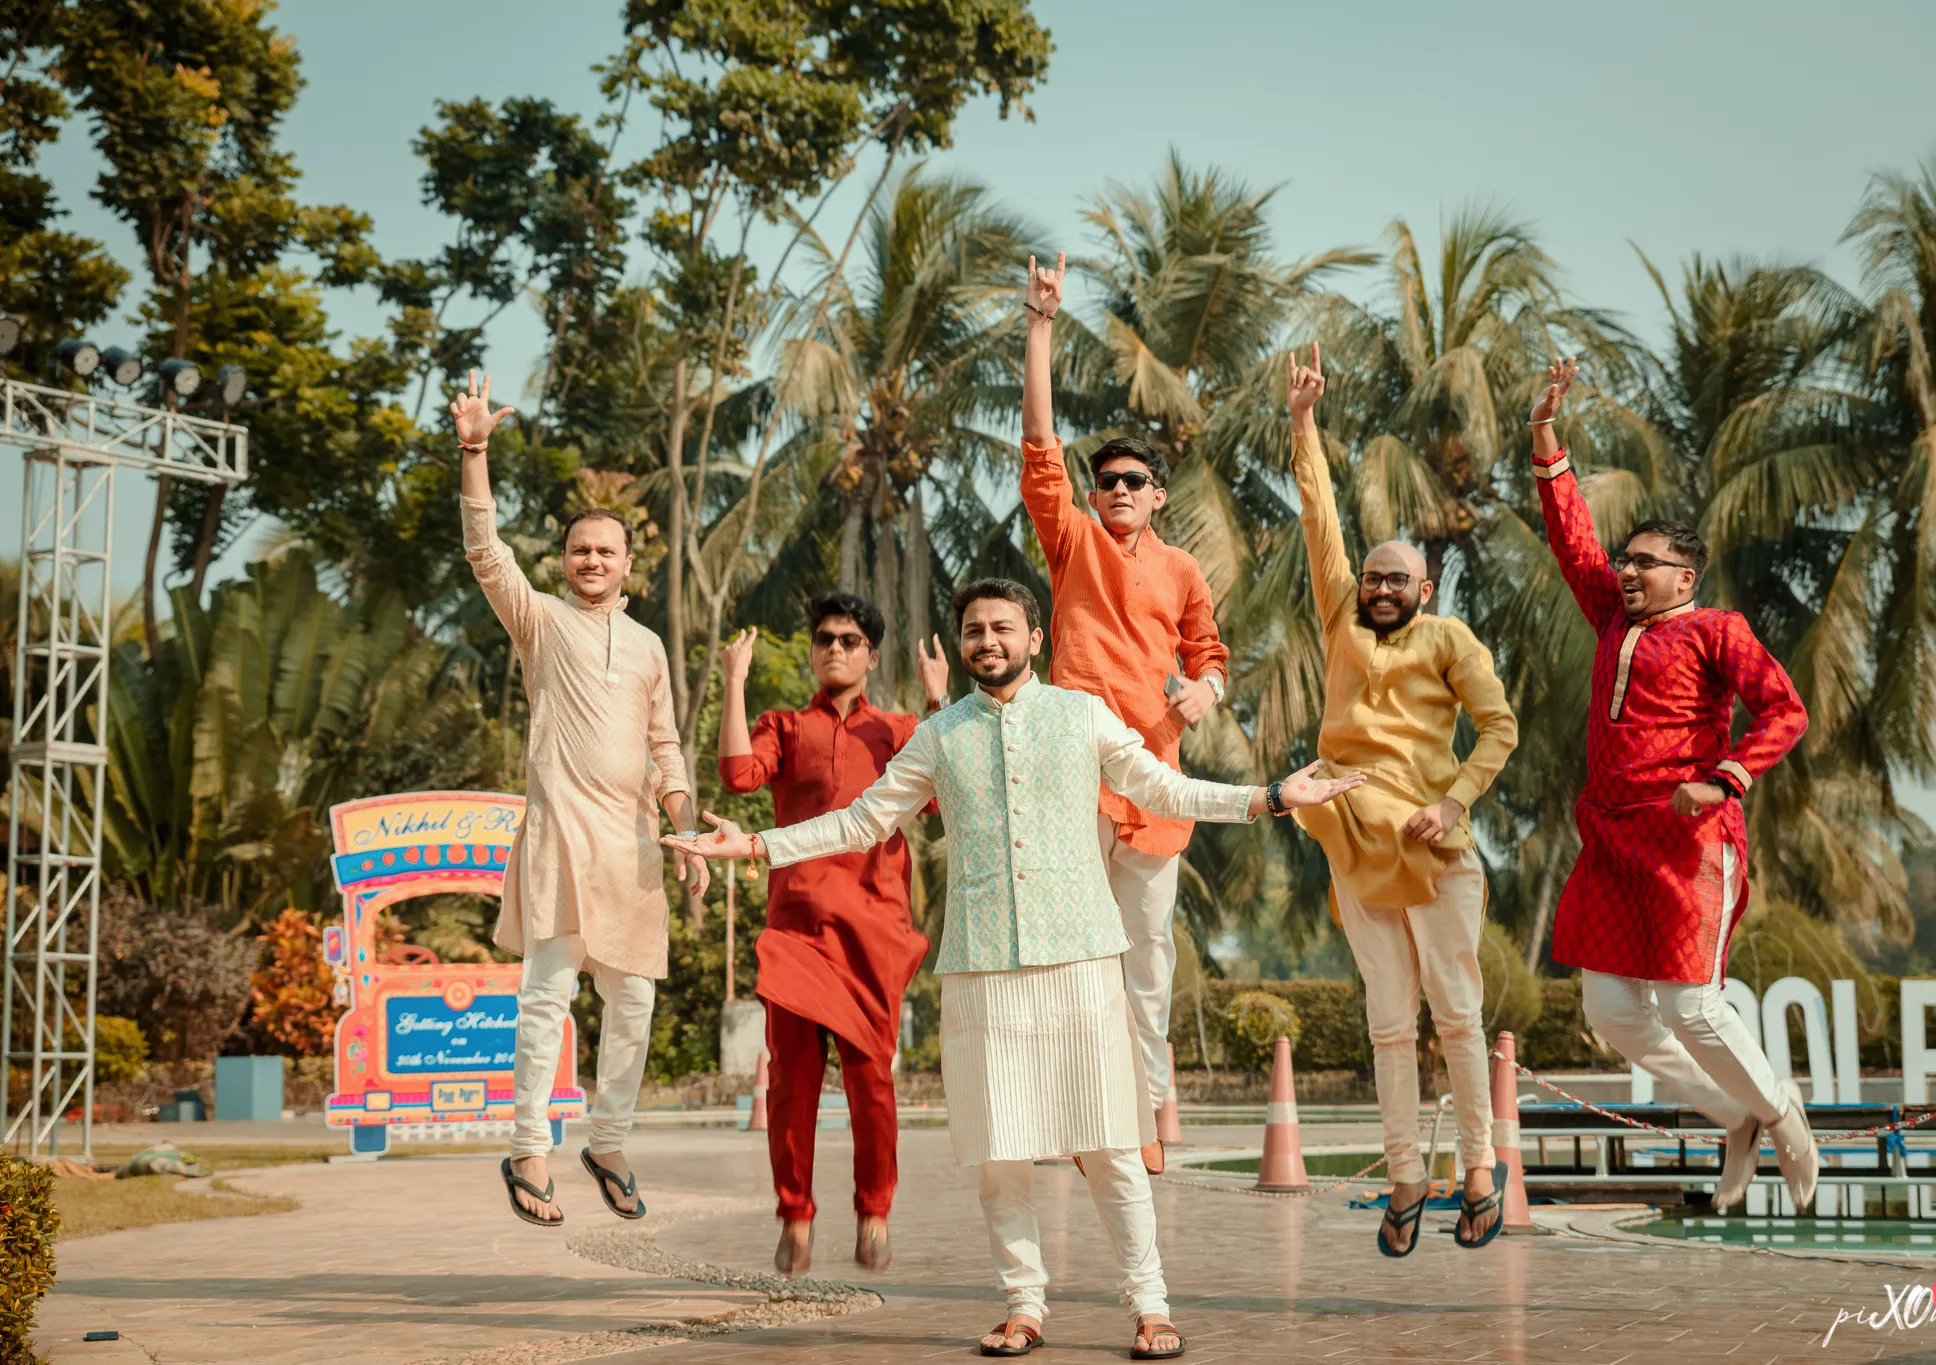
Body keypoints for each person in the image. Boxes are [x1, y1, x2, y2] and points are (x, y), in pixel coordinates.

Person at [667, 578, 1363, 1363]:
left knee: (1111, 1146)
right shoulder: (939, 735)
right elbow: (863, 819)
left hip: (1082, 961)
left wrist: (1269, 796)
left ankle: (1150, 1304)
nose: (987, 640)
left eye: (1002, 627)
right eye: (974, 629)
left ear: (1036, 639)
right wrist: (755, 845)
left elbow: (1160, 788)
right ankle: (1023, 1305)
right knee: (1001, 1153)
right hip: (983, 969)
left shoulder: (1080, 714)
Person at [1529, 355, 1817, 1211]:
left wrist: (1725, 780)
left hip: (1689, 842)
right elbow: (1572, 536)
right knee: (1613, 1012)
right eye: (1626, 560)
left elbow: (1786, 710)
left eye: (1646, 563)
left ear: (1684, 578)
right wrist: (1544, 431)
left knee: (1692, 1007)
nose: (1626, 570)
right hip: (1610, 841)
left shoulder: (1718, 630)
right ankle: (1738, 1115)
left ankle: (1783, 1114)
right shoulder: (1610, 617)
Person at [450, 371, 710, 1229]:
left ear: (630, 563)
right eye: (579, 550)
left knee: (634, 1003)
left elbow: (666, 748)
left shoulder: (647, 646)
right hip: (560, 838)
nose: (591, 560)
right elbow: (486, 553)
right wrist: (476, 450)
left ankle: (609, 1142)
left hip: (633, 850)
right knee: (546, 997)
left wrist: (684, 828)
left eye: (605, 551)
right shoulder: (540, 622)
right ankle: (529, 1147)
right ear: (563, 562)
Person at [1282, 343, 1521, 1254]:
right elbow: (1321, 520)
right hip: (1354, 841)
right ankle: (1408, 1176)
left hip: (1434, 844)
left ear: (1425, 588)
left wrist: (1454, 803)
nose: (1380, 588)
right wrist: (1304, 422)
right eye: (1373, 578)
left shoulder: (1450, 639)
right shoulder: (1341, 617)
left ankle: (1479, 1169)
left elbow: (1497, 728)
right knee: (1388, 1022)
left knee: (1457, 1013)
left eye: (1397, 580)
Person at [1017, 252, 1229, 1136]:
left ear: (1158, 496)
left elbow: (1210, 656)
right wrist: (1041, 324)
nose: (1116, 491)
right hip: (1071, 770)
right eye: (1105, 480)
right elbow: (1040, 448)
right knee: (1070, 950)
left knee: (1146, 956)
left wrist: (1205, 691)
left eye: (1133, 481)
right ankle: (1069, 1114)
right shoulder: (1072, 540)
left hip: (1153, 779)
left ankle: (1144, 1113)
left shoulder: (1183, 570)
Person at [716, 593, 950, 1274]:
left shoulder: (901, 730)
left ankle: (874, 1210)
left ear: (872, 656)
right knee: (790, 1080)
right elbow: (738, 775)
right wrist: (734, 680)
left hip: (874, 929)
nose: (836, 649)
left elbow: (946, 794)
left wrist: (939, 702)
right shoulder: (785, 726)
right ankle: (794, 1214)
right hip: (795, 928)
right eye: (825, 638)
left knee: (871, 1080)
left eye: (850, 640)